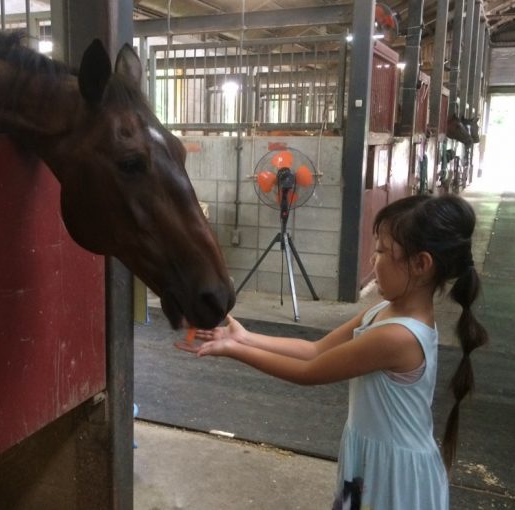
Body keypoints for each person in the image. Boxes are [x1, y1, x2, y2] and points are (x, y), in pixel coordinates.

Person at [177, 194, 488, 509]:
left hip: (395, 477)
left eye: (381, 250)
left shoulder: (399, 336)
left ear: (420, 264)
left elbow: (309, 372)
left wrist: (234, 350)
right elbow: (314, 350)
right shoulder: (383, 310)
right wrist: (246, 337)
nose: (372, 259)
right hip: (374, 459)